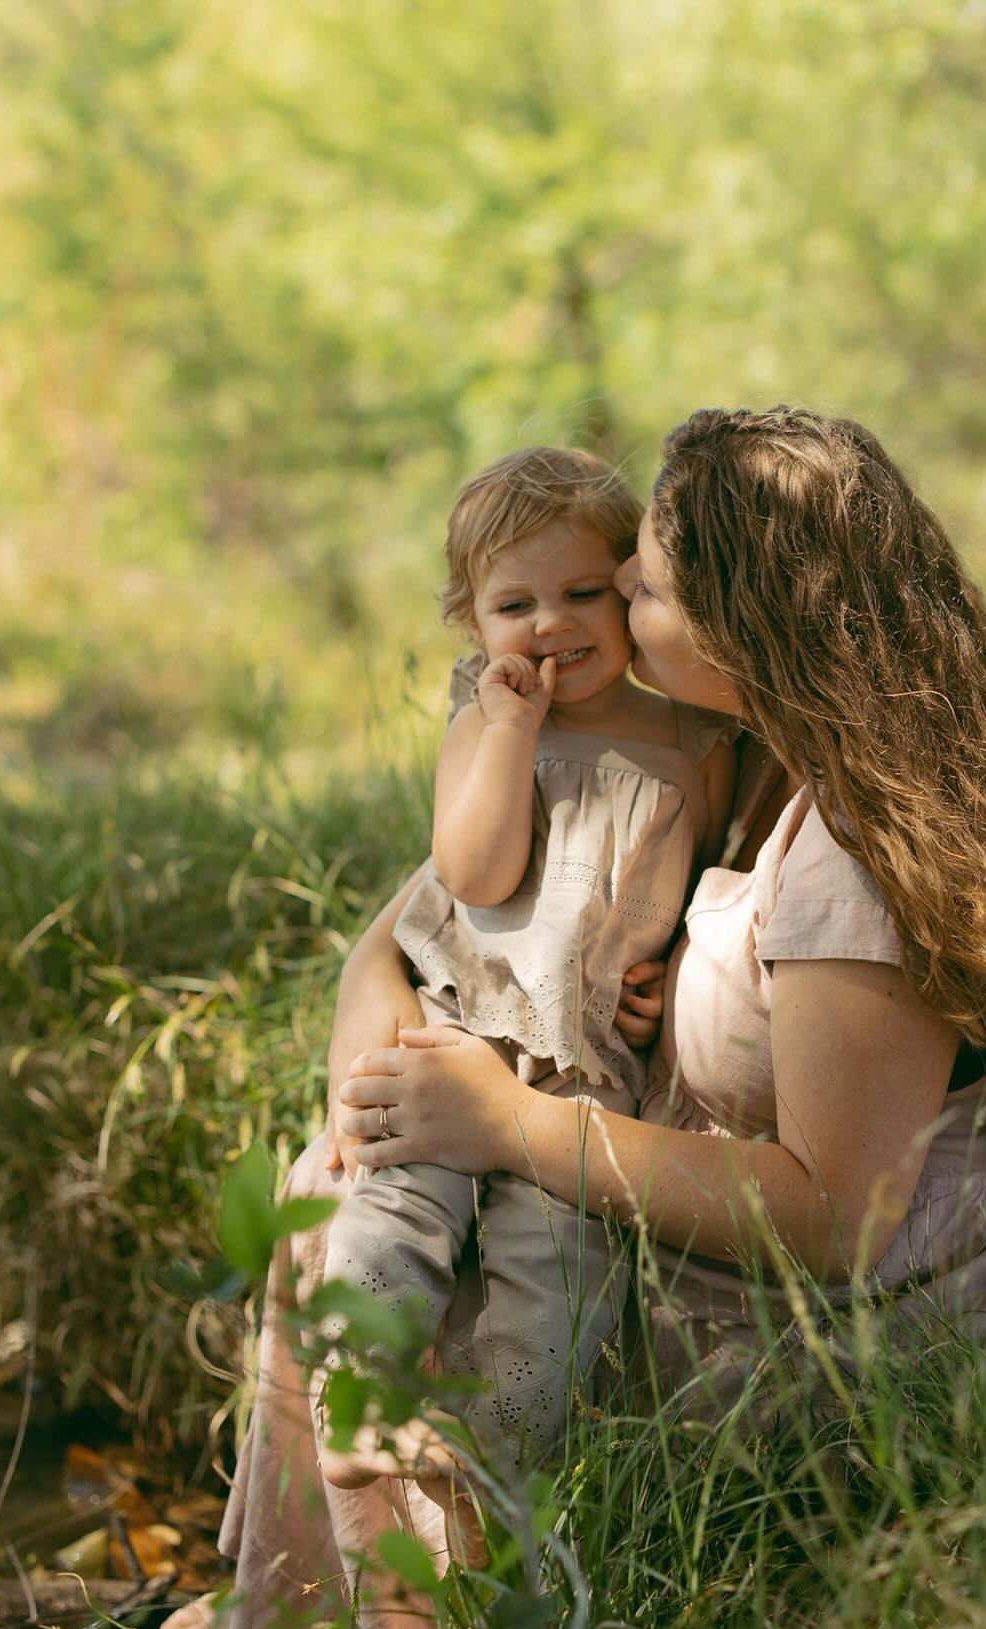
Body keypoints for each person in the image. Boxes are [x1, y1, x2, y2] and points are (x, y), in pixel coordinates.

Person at [150, 408, 986, 1629]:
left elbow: (838, 1221)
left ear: (745, 619)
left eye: (637, 583)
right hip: (787, 1270)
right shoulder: (785, 757)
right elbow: (425, 917)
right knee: (350, 1165)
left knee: (376, 1226)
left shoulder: (861, 863)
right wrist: (378, 1008)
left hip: (864, 1360)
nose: (611, 611)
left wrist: (512, 1127)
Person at [309, 446, 734, 1508]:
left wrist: (669, 966)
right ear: (471, 623)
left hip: (586, 1066)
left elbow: (704, 884)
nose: (552, 626)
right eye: (516, 605)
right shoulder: (483, 722)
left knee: (559, 1264)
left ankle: (497, 1455)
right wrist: (510, 734)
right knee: (400, 1209)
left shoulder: (696, 735)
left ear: (632, 590)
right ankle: (354, 1404)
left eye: (584, 593)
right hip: (457, 1034)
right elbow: (476, 869)